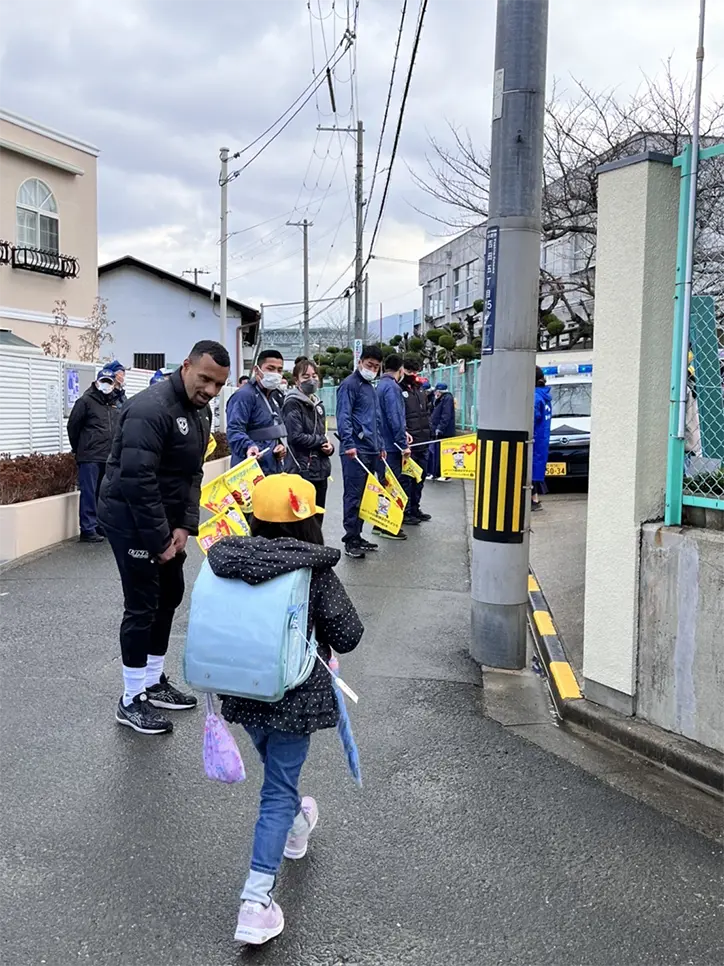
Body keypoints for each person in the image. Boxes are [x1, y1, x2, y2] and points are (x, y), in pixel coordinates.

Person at [207, 473, 363, 945]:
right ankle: (255, 901)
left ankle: (297, 827)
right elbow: (349, 636)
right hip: (293, 697)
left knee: (279, 778)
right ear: (310, 520)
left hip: (240, 688)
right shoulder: (313, 571)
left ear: (255, 517)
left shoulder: (227, 561)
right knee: (276, 790)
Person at [98, 340, 230, 735]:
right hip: (130, 518)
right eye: (204, 379)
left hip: (166, 524)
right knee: (142, 604)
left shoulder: (200, 412)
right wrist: (160, 539)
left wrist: (184, 526)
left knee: (169, 595)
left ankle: (153, 681)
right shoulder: (149, 409)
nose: (209, 390)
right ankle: (131, 698)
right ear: (186, 365)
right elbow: (137, 481)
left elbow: (192, 474)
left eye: (218, 384)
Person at [336, 345, 386, 558]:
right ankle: (350, 539)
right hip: (355, 450)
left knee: (367, 495)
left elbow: (376, 420)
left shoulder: (370, 387)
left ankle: (358, 535)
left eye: (376, 366)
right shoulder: (350, 385)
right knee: (354, 495)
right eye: (369, 364)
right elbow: (344, 416)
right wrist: (348, 444)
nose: (372, 369)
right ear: (360, 362)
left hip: (372, 450)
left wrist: (381, 446)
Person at [66, 366, 121, 544]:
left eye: (109, 382)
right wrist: (79, 448)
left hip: (108, 456)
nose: (106, 385)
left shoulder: (114, 403)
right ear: (97, 382)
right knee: (89, 493)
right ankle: (87, 528)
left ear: (113, 384)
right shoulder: (85, 401)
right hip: (89, 455)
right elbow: (73, 427)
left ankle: (99, 525)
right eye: (103, 381)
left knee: (103, 494)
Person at [282, 358, 333, 521]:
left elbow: (323, 434)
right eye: (305, 376)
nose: (311, 380)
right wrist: (320, 441)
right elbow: (295, 437)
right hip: (302, 469)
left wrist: (329, 447)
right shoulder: (292, 403)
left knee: (318, 517)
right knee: (303, 520)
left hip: (320, 469)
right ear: (296, 380)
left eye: (314, 375)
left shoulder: (318, 404)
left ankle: (316, 546)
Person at [226, 349, 292, 474]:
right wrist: (248, 446)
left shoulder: (275, 396)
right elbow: (234, 429)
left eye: (279, 370)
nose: (276, 374)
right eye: (270, 368)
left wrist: (279, 446)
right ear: (257, 370)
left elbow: (273, 428)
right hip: (250, 470)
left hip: (272, 468)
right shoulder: (244, 396)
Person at [374, 352, 410, 541]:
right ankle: (389, 526)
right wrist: (403, 444)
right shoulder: (393, 388)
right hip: (392, 446)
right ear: (401, 369)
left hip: (382, 444)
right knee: (393, 486)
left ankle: (380, 522)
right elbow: (395, 417)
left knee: (384, 484)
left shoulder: (380, 385)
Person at [400, 357, 432, 526]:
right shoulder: (399, 390)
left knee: (420, 478)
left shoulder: (420, 390)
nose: (413, 375)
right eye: (410, 371)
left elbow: (426, 413)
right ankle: (405, 511)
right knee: (407, 479)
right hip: (409, 443)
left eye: (415, 372)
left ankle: (415, 508)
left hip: (423, 441)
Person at [532, 365, 552, 512]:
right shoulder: (545, 396)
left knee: (530, 469)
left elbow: (530, 420)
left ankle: (533, 500)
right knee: (535, 469)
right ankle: (535, 499)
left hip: (534, 439)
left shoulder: (535, 397)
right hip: (542, 439)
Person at [429, 382, 456, 481]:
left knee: (444, 453)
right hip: (440, 430)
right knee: (438, 452)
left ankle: (445, 474)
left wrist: (440, 428)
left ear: (440, 391)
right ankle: (438, 472)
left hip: (445, 432)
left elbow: (446, 415)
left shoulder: (447, 399)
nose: (436, 393)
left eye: (437, 391)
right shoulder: (441, 399)